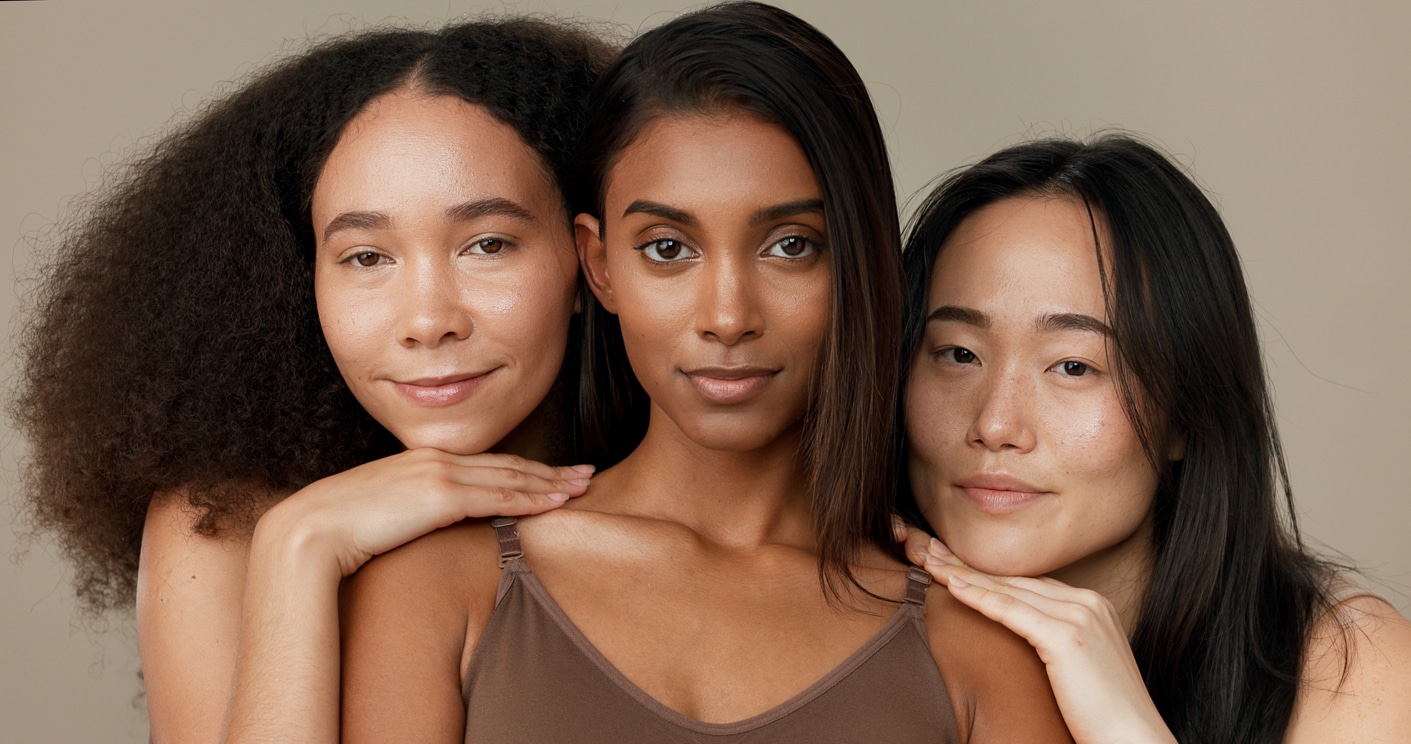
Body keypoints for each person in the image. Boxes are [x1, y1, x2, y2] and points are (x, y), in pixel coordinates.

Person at [336, 3, 1072, 741]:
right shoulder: (441, 583)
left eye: (790, 245)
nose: (727, 316)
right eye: (666, 248)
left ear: (860, 262)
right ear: (599, 268)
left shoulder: (976, 648)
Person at [10, 19, 617, 743]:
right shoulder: (220, 517)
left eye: (488, 244)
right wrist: (298, 548)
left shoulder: (686, 481)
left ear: (589, 262)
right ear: (302, 281)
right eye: (365, 257)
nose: (427, 320)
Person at [897, 134, 1411, 742]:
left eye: (1073, 366)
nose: (995, 425)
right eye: (959, 354)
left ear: (1187, 416)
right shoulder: (843, 632)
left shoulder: (1349, 670)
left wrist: (1126, 727)